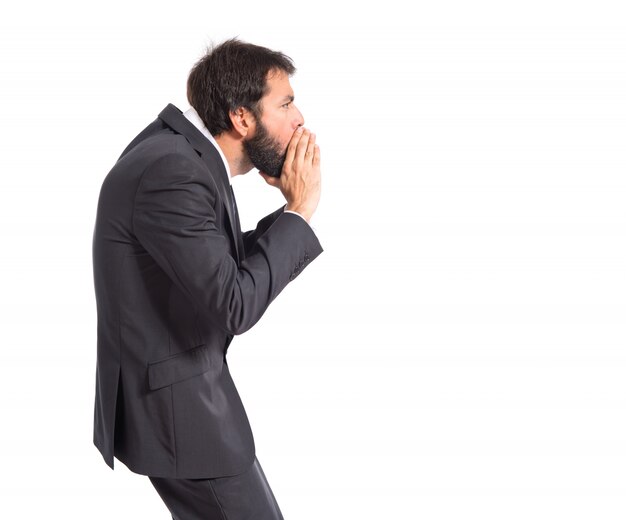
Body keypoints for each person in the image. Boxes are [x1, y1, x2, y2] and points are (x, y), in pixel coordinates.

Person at [92, 38, 323, 520]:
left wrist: (290, 215)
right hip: (182, 417)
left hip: (178, 400)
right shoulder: (173, 169)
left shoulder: (180, 155)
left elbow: (209, 260)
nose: (299, 118)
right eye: (285, 103)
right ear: (242, 118)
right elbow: (233, 303)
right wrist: (299, 212)